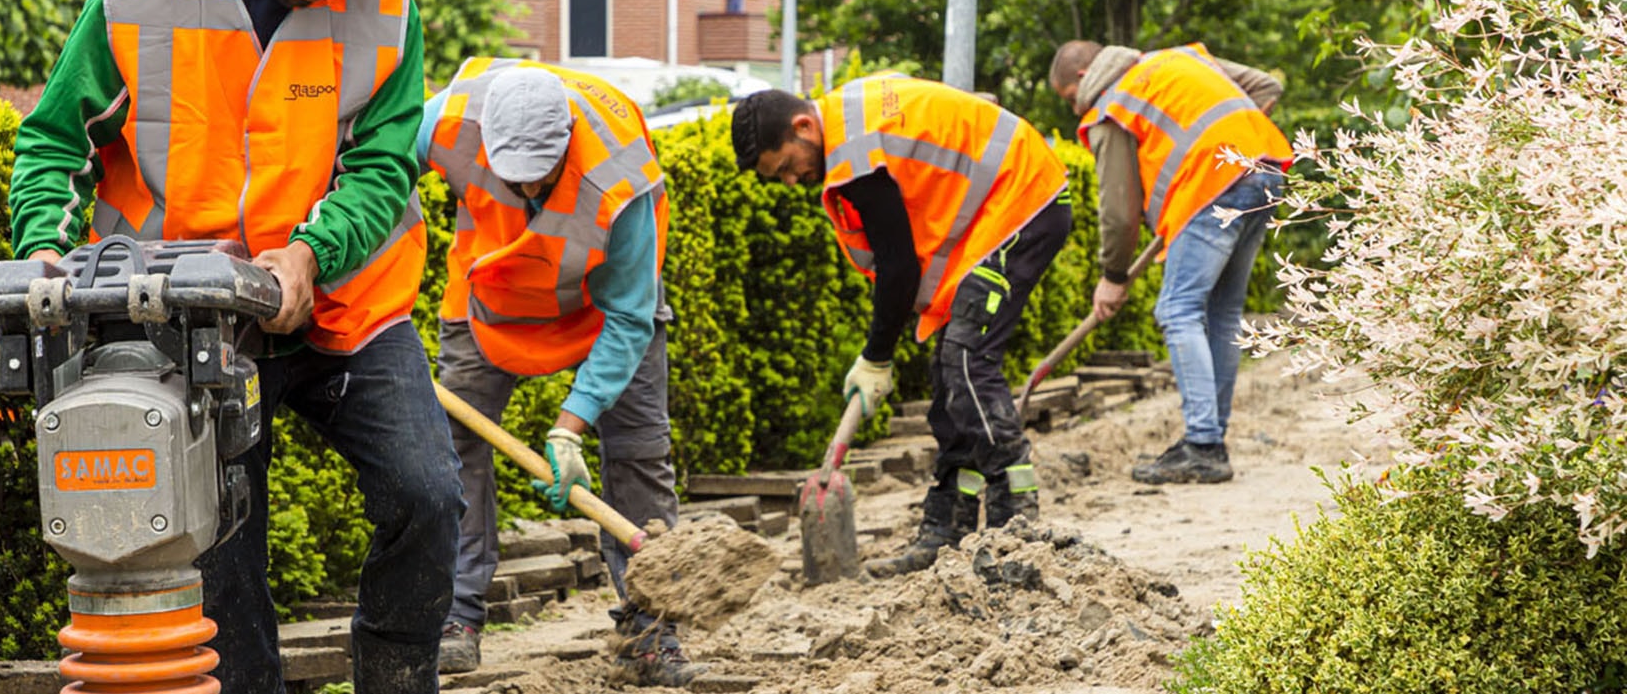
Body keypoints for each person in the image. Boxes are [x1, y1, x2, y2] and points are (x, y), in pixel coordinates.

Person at [8, 0, 462, 692]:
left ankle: (398, 677)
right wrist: (44, 250)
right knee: (218, 549)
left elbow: (381, 167)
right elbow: (55, 144)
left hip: (345, 310)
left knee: (427, 494)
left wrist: (310, 255)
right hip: (186, 324)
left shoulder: (388, 7)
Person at [420, 58, 703, 687]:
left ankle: (651, 631)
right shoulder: (445, 121)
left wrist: (569, 427)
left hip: (604, 311)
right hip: (491, 299)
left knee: (638, 456)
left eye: (538, 177)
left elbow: (631, 317)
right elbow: (376, 181)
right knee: (452, 448)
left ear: (567, 141)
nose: (524, 191)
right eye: (508, 175)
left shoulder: (623, 176)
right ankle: (456, 619)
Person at [730, 75, 1071, 578]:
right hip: (994, 213)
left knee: (967, 361)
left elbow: (899, 267)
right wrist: (877, 353)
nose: (791, 180)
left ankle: (1016, 518)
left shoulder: (856, 154)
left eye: (786, 165)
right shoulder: (850, 126)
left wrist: (876, 357)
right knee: (949, 371)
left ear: (804, 126)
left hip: (1024, 200)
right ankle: (947, 527)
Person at [1048, 40, 1291, 485]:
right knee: (1222, 314)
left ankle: (1202, 445)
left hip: (1213, 186)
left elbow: (1118, 213)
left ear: (1084, 78)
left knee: (1177, 310)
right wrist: (1231, 148)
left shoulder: (1111, 105)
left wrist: (1113, 277)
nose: (1075, 108)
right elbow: (1266, 85)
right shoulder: (1177, 59)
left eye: (1069, 99)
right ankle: (1210, 440)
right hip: (1266, 170)